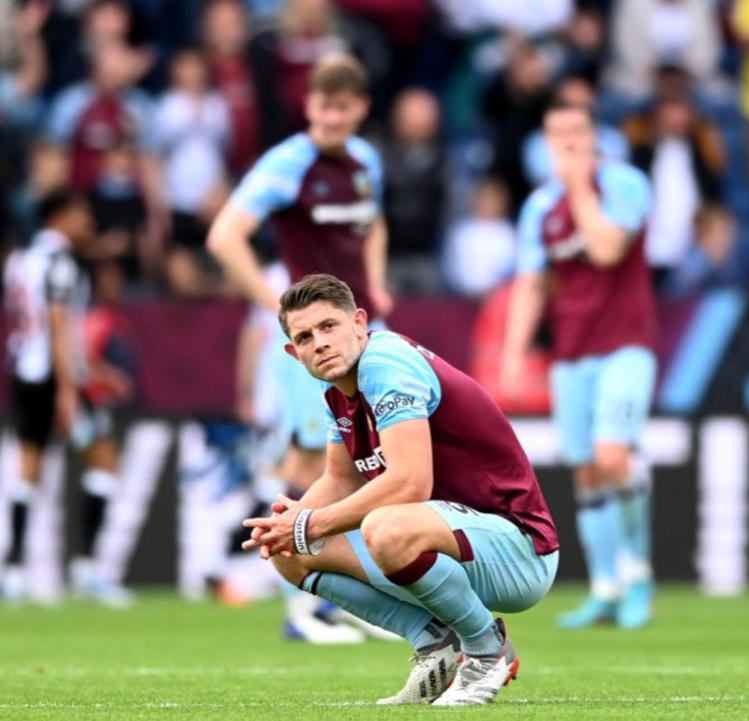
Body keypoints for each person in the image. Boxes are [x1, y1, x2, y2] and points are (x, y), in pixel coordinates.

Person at [241, 273, 559, 706]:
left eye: (328, 326)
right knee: (290, 552)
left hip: (519, 551)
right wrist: (287, 527)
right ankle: (436, 644)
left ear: (358, 322)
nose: (319, 343)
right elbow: (340, 478)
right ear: (293, 353)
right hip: (448, 540)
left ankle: (487, 650)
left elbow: (411, 483)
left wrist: (308, 524)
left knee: (386, 526)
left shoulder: (385, 365)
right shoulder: (334, 386)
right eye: (305, 337)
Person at [206, 53, 392, 641]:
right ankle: (303, 607)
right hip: (318, 346)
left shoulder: (366, 163)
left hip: (365, 333)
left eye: (342, 108)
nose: (331, 118)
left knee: (365, 464)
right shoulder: (288, 164)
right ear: (308, 105)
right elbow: (224, 236)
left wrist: (378, 279)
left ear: (360, 109)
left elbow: (374, 222)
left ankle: (338, 599)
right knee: (316, 464)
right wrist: (278, 309)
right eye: (322, 106)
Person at [501, 99, 658, 629]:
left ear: (594, 136)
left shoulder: (624, 185)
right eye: (558, 134)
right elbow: (531, 282)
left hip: (625, 344)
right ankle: (606, 588)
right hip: (571, 352)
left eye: (578, 132)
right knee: (588, 472)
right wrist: (512, 352)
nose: (569, 143)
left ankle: (638, 575)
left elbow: (609, 247)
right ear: (545, 143)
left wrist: (580, 187)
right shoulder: (539, 208)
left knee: (614, 457)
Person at [2, 190, 131, 606]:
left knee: (29, 469)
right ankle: (88, 569)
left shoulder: (20, 260)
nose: (87, 223)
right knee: (104, 458)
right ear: (60, 216)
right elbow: (58, 322)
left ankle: (15, 572)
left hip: (24, 371)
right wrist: (68, 389)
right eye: (82, 213)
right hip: (57, 377)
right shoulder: (61, 262)